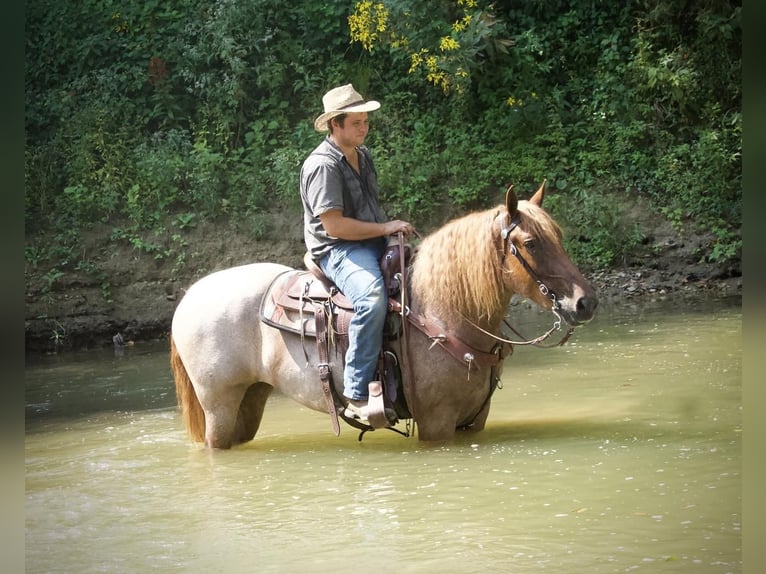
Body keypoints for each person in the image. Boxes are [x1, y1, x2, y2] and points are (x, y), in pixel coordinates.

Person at [300, 83, 413, 422]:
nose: (364, 129)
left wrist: (390, 232)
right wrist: (385, 229)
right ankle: (356, 390)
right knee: (371, 298)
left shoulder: (362, 155)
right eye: (356, 123)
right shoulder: (322, 166)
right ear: (335, 124)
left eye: (366, 122)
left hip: (370, 238)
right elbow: (335, 227)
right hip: (338, 248)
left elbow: (367, 210)